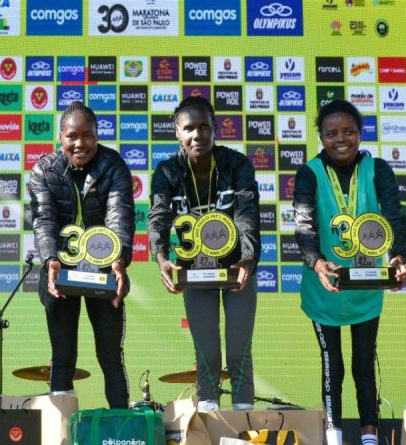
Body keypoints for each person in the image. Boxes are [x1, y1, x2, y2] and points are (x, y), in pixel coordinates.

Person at [293, 99, 406, 445]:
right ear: (321, 137)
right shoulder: (309, 172)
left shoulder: (379, 169)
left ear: (360, 134)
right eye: (331, 133)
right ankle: (334, 436)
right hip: (325, 287)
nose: (340, 140)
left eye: (349, 132)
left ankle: (370, 437)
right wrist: (316, 261)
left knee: (363, 365)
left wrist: (398, 256)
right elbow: (303, 225)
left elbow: (394, 215)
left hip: (367, 287)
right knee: (333, 367)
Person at [148, 96, 260, 412]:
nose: (197, 135)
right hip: (194, 273)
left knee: (239, 352)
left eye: (203, 127)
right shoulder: (168, 171)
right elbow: (157, 216)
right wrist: (161, 257)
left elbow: (247, 214)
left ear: (214, 129)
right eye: (188, 128)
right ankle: (209, 425)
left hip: (235, 270)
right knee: (207, 354)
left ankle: (243, 426)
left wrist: (248, 258)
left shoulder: (236, 165)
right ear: (177, 134)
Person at [28, 101, 133, 408]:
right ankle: (60, 431)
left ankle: (121, 426)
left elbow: (120, 216)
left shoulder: (113, 165)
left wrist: (119, 259)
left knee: (110, 355)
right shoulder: (43, 171)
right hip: (59, 272)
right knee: (62, 355)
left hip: (103, 271)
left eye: (88, 135)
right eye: (73, 136)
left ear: (97, 135)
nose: (81, 143)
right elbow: (44, 219)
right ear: (60, 137)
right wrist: (50, 261)